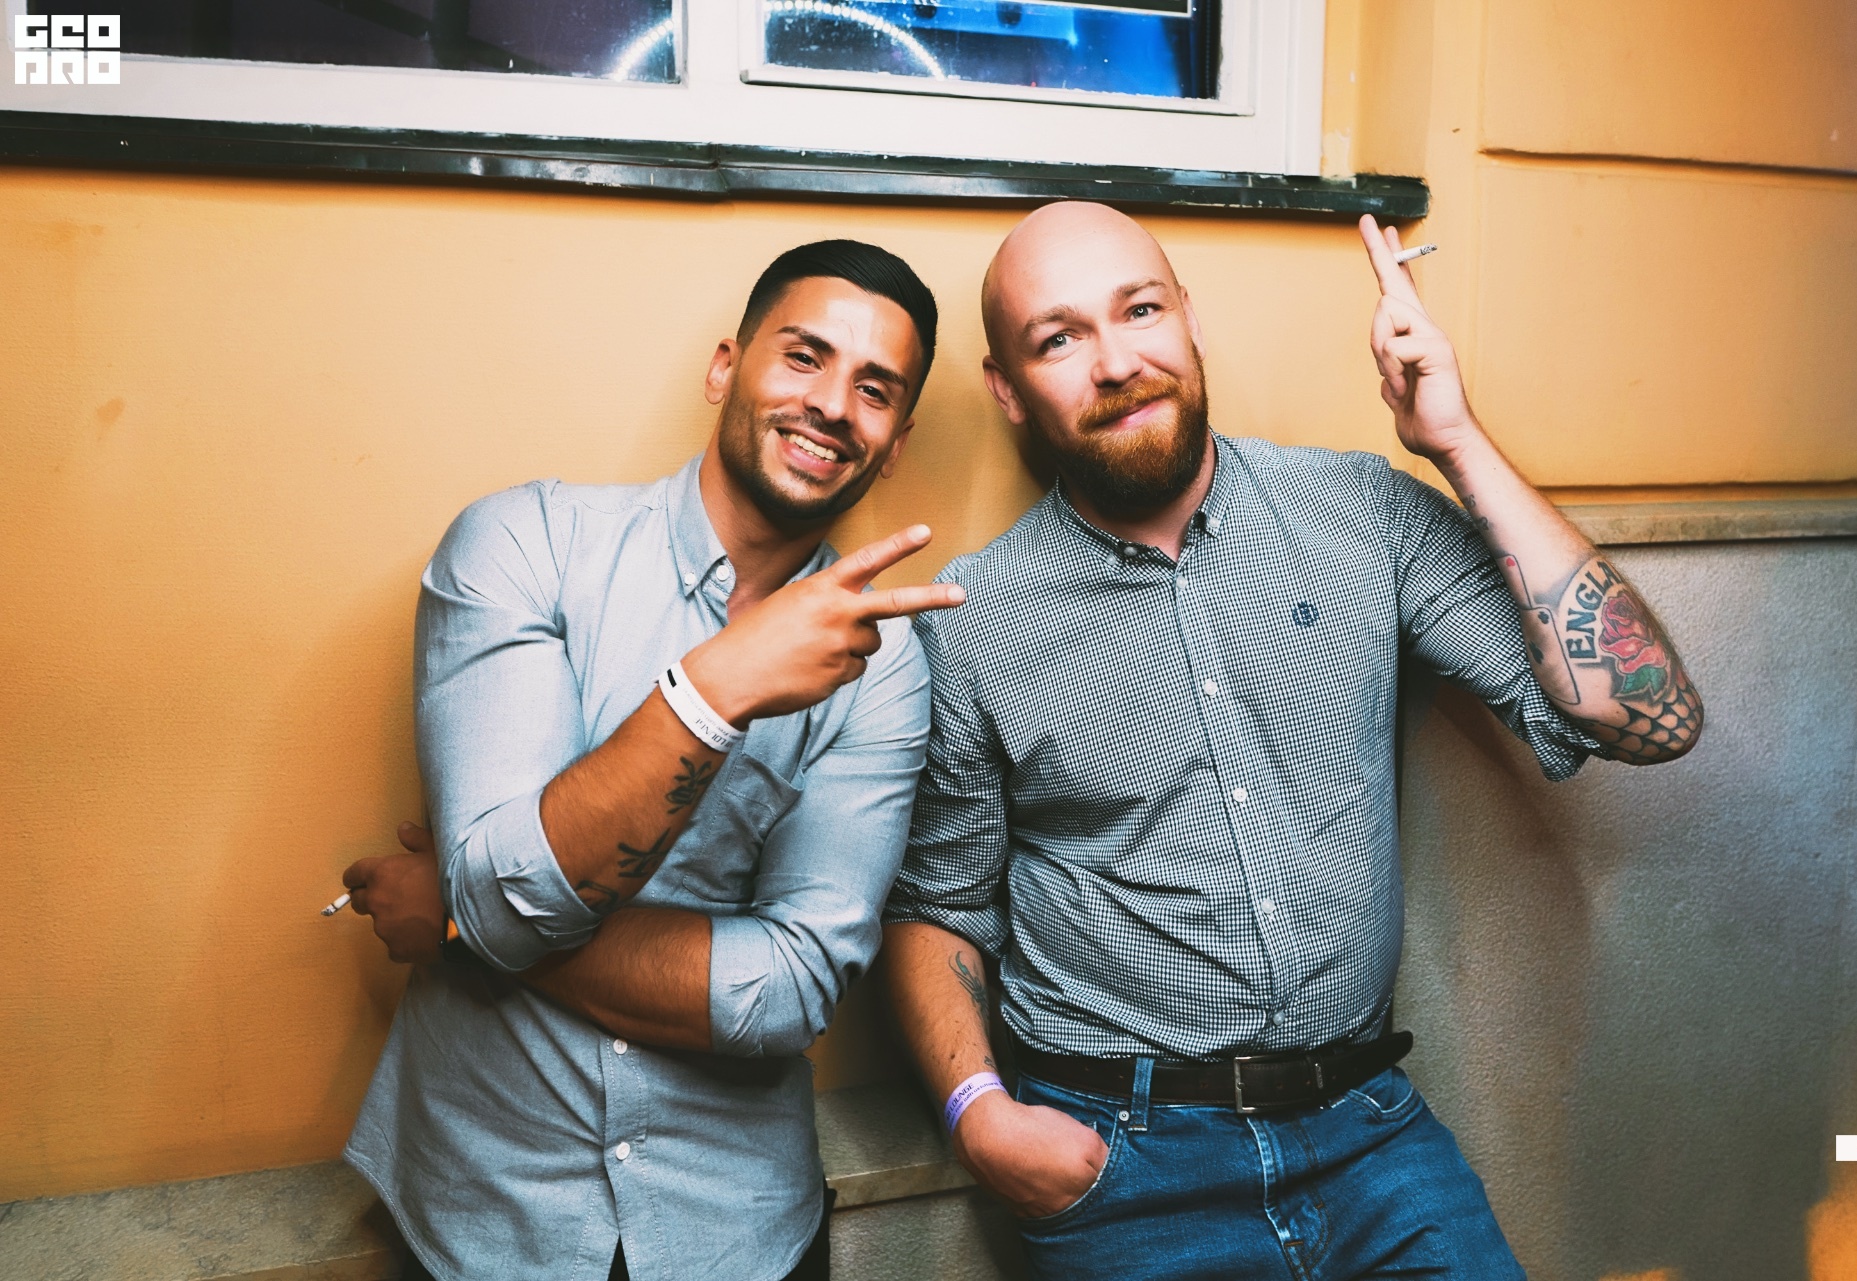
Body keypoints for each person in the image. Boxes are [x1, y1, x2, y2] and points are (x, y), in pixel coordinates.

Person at [883, 203, 1703, 1279]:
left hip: (1369, 1136)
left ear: (1191, 318)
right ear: (1008, 389)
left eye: (1140, 310)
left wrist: (1456, 439)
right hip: (1126, 1165)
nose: (1117, 361)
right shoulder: (974, 619)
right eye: (1060, 337)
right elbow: (937, 907)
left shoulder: (1363, 513)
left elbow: (1649, 718)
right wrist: (978, 1113)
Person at [338, 239, 965, 1281]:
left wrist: (459, 919)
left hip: (739, 1228)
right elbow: (503, 898)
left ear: (894, 444)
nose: (831, 405)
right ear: (726, 367)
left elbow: (791, 989)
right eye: (804, 356)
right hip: (480, 1213)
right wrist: (714, 689)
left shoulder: (885, 664)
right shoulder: (524, 544)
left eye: (874, 388)